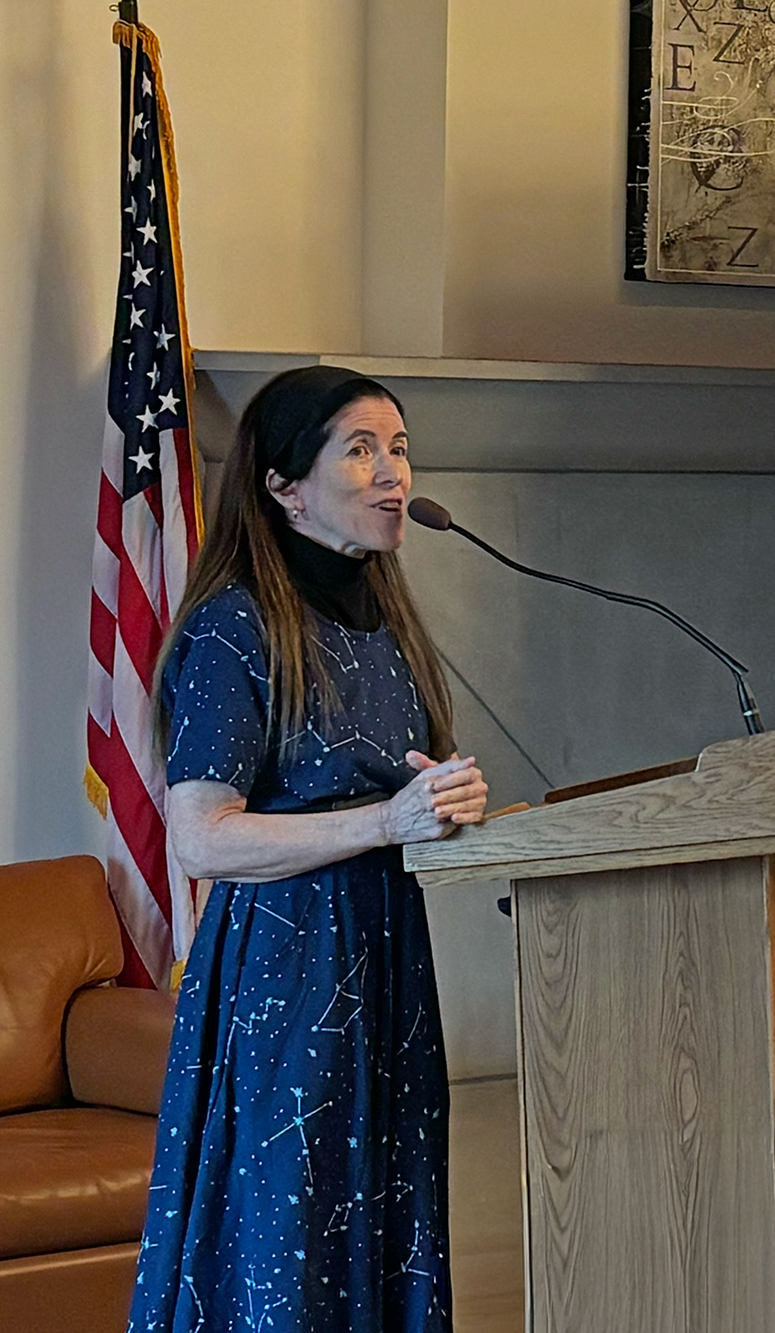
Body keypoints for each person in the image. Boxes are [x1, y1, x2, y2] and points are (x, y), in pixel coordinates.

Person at [128, 365, 490, 1333]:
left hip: (388, 964)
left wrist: (447, 801)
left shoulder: (390, 621)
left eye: (400, 449)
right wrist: (386, 821)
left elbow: (397, 796)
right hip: (289, 976)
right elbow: (200, 837)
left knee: (386, 1217)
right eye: (361, 451)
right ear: (285, 487)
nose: (393, 473)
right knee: (291, 1231)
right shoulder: (233, 627)